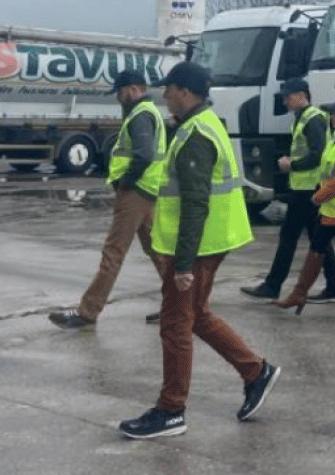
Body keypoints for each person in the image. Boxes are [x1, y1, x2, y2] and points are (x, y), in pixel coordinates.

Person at [119, 61, 278, 439]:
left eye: (169, 90)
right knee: (197, 315)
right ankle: (256, 372)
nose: (165, 96)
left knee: (176, 324)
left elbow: (195, 202)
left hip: (197, 244)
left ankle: (171, 409)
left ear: (185, 93)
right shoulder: (199, 125)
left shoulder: (196, 135)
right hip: (207, 240)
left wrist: (184, 264)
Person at [49, 69, 167, 330]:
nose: (118, 97)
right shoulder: (148, 113)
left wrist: (126, 182)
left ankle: (87, 311)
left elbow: (144, 156)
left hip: (135, 192)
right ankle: (179, 306)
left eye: (120, 91)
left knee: (113, 253)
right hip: (146, 191)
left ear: (134, 89)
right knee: (157, 251)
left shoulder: (140, 116)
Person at [240, 78, 335, 301]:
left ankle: (273, 286)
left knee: (289, 236)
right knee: (318, 238)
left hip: (308, 189)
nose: (285, 102)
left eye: (287, 97)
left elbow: (318, 155)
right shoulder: (304, 118)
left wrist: (292, 165)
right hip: (307, 188)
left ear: (301, 95)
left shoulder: (312, 120)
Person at [274, 94, 335, 319]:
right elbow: (327, 171)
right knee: (317, 246)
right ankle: (299, 293)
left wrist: (318, 197)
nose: (332, 116)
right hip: (331, 207)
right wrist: (321, 194)